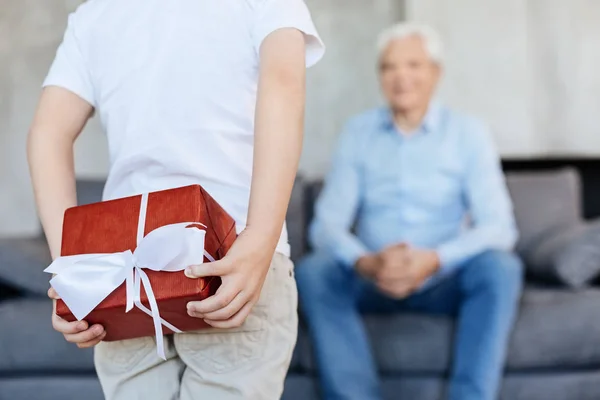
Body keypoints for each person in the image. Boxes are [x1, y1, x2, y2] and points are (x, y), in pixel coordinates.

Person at [27, 0, 324, 399]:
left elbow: (47, 133)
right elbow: (284, 85)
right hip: (233, 255)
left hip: (122, 273)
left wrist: (75, 268)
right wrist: (261, 236)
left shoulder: (96, 14)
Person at [296, 22, 522, 400]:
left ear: (435, 73)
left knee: (501, 267)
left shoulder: (469, 134)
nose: (401, 76)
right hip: (374, 276)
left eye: (413, 65)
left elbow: (499, 227)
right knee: (314, 271)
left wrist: (434, 260)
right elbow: (326, 227)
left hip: (442, 278)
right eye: (389, 67)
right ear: (380, 76)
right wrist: (366, 262)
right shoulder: (358, 133)